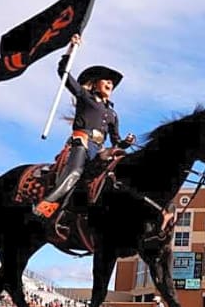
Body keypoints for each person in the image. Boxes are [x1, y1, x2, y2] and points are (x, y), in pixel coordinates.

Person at [33, 33, 136, 219]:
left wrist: (127, 143)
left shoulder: (113, 114)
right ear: (95, 84)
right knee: (75, 172)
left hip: (99, 151)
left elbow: (116, 142)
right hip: (81, 142)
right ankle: (46, 204)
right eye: (106, 80)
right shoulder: (84, 96)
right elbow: (63, 71)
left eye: (112, 82)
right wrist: (71, 48)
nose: (110, 83)